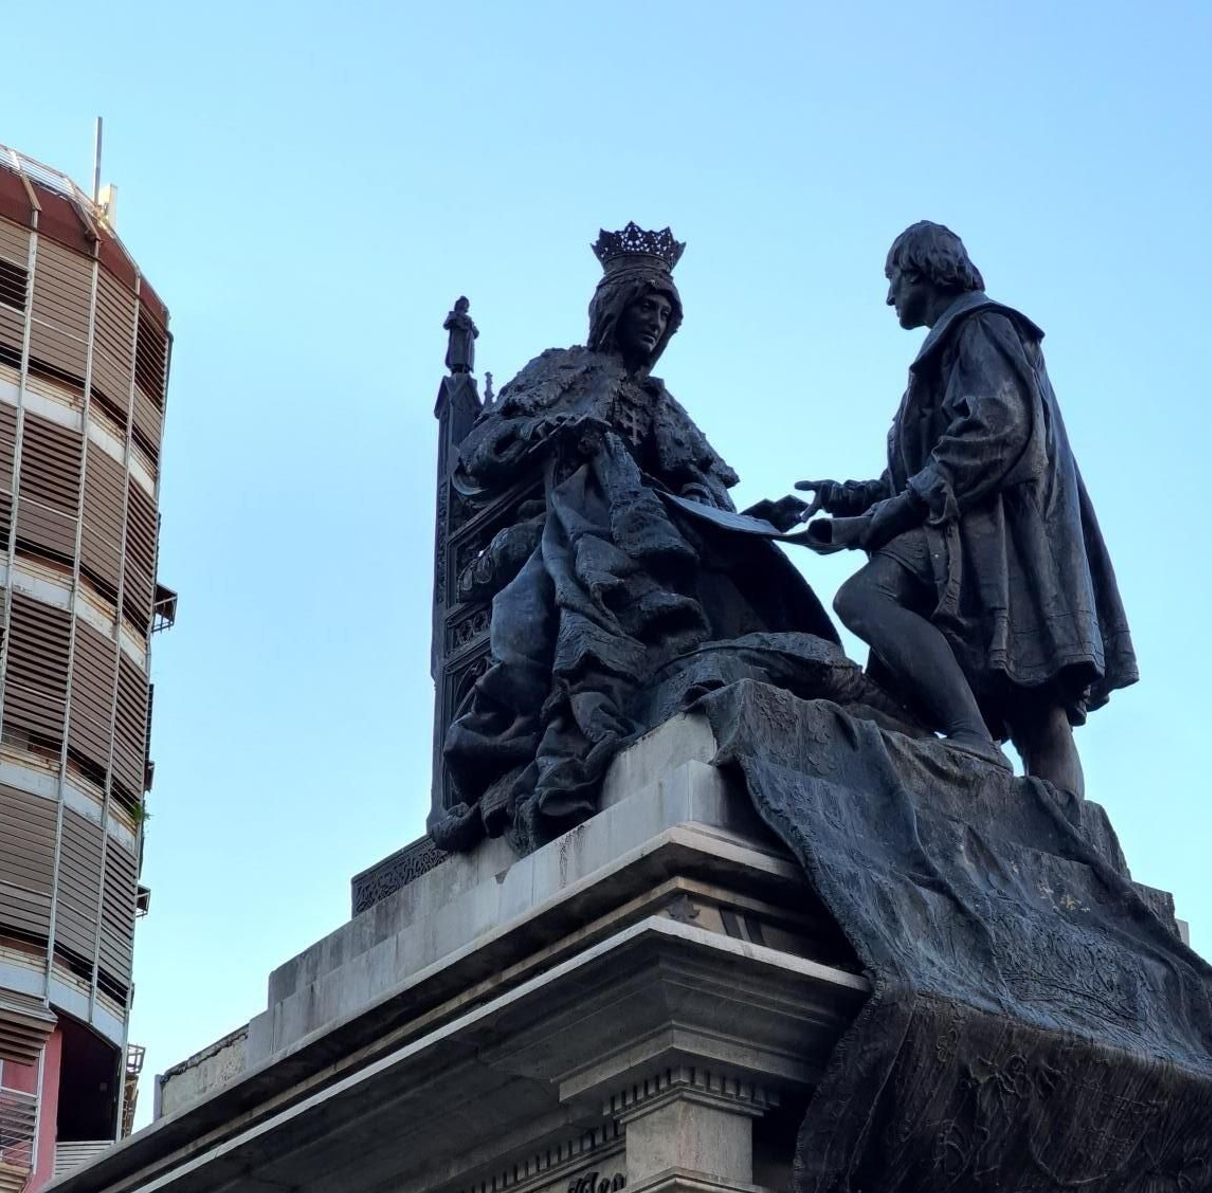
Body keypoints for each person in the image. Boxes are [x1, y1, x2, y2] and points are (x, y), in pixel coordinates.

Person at [428, 224, 840, 850]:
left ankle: (765, 674)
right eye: (646, 307)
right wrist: (557, 434)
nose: (656, 323)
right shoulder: (560, 370)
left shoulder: (662, 404)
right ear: (613, 307)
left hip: (658, 528)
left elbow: (703, 486)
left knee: (742, 565)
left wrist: (751, 515)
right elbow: (478, 453)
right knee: (602, 550)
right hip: (571, 521)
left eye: (667, 314)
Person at [790, 222, 1138, 798]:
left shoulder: (981, 327)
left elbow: (996, 428)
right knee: (1035, 707)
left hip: (988, 537)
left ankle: (970, 736)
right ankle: (1071, 852)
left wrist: (877, 521)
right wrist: (843, 496)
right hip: (979, 532)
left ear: (924, 270)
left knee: (864, 598)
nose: (889, 296)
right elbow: (920, 465)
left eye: (894, 279)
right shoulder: (958, 342)